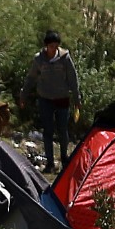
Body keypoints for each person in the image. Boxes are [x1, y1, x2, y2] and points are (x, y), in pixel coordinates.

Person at [20, 31, 81, 172]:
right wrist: (24, 95)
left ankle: (64, 156)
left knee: (62, 130)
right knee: (48, 131)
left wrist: (77, 97)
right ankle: (50, 162)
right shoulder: (39, 59)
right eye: (51, 46)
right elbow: (31, 78)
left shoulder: (65, 58)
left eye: (56, 46)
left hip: (62, 97)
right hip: (45, 98)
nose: (53, 49)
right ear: (46, 46)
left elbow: (73, 78)